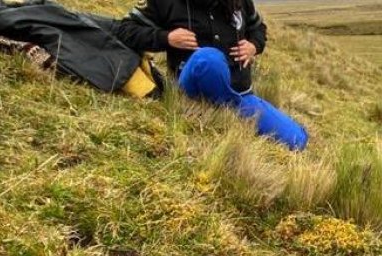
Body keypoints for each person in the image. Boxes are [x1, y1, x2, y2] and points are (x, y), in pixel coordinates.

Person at [115, 0, 308, 150]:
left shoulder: (240, 2)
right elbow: (125, 29)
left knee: (297, 140)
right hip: (191, 93)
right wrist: (166, 38)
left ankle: (228, 109)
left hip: (241, 94)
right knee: (209, 60)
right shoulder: (165, 2)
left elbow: (258, 28)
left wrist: (254, 46)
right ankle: (231, 112)